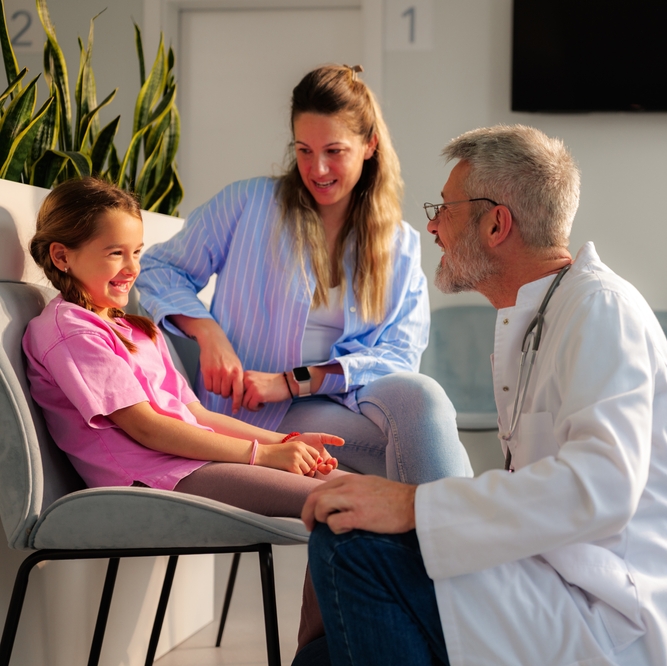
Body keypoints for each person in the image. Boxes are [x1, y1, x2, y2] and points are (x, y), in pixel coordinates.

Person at [296, 125, 667, 666]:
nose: (432, 226)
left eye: (444, 208)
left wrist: (413, 504)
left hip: (606, 614)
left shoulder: (603, 310)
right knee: (321, 656)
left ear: (495, 223)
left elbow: (603, 487)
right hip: (546, 582)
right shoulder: (544, 315)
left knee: (349, 546)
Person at [22, 176, 344, 647]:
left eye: (136, 251)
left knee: (351, 492)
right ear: (62, 255)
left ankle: (335, 654)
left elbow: (193, 412)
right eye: (115, 252)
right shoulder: (71, 331)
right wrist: (260, 454)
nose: (131, 267)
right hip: (153, 479)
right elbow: (148, 429)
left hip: (187, 464)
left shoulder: (135, 327)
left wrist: (285, 442)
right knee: (341, 502)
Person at [136, 64, 471, 484]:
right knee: (411, 450)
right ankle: (470, 534)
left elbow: (399, 355)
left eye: (334, 151)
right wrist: (207, 331)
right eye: (304, 151)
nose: (318, 169)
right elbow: (158, 268)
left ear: (369, 145)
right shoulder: (247, 204)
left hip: (350, 398)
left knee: (424, 397)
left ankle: (458, 532)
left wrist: (295, 381)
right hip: (256, 415)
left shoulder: (398, 242)